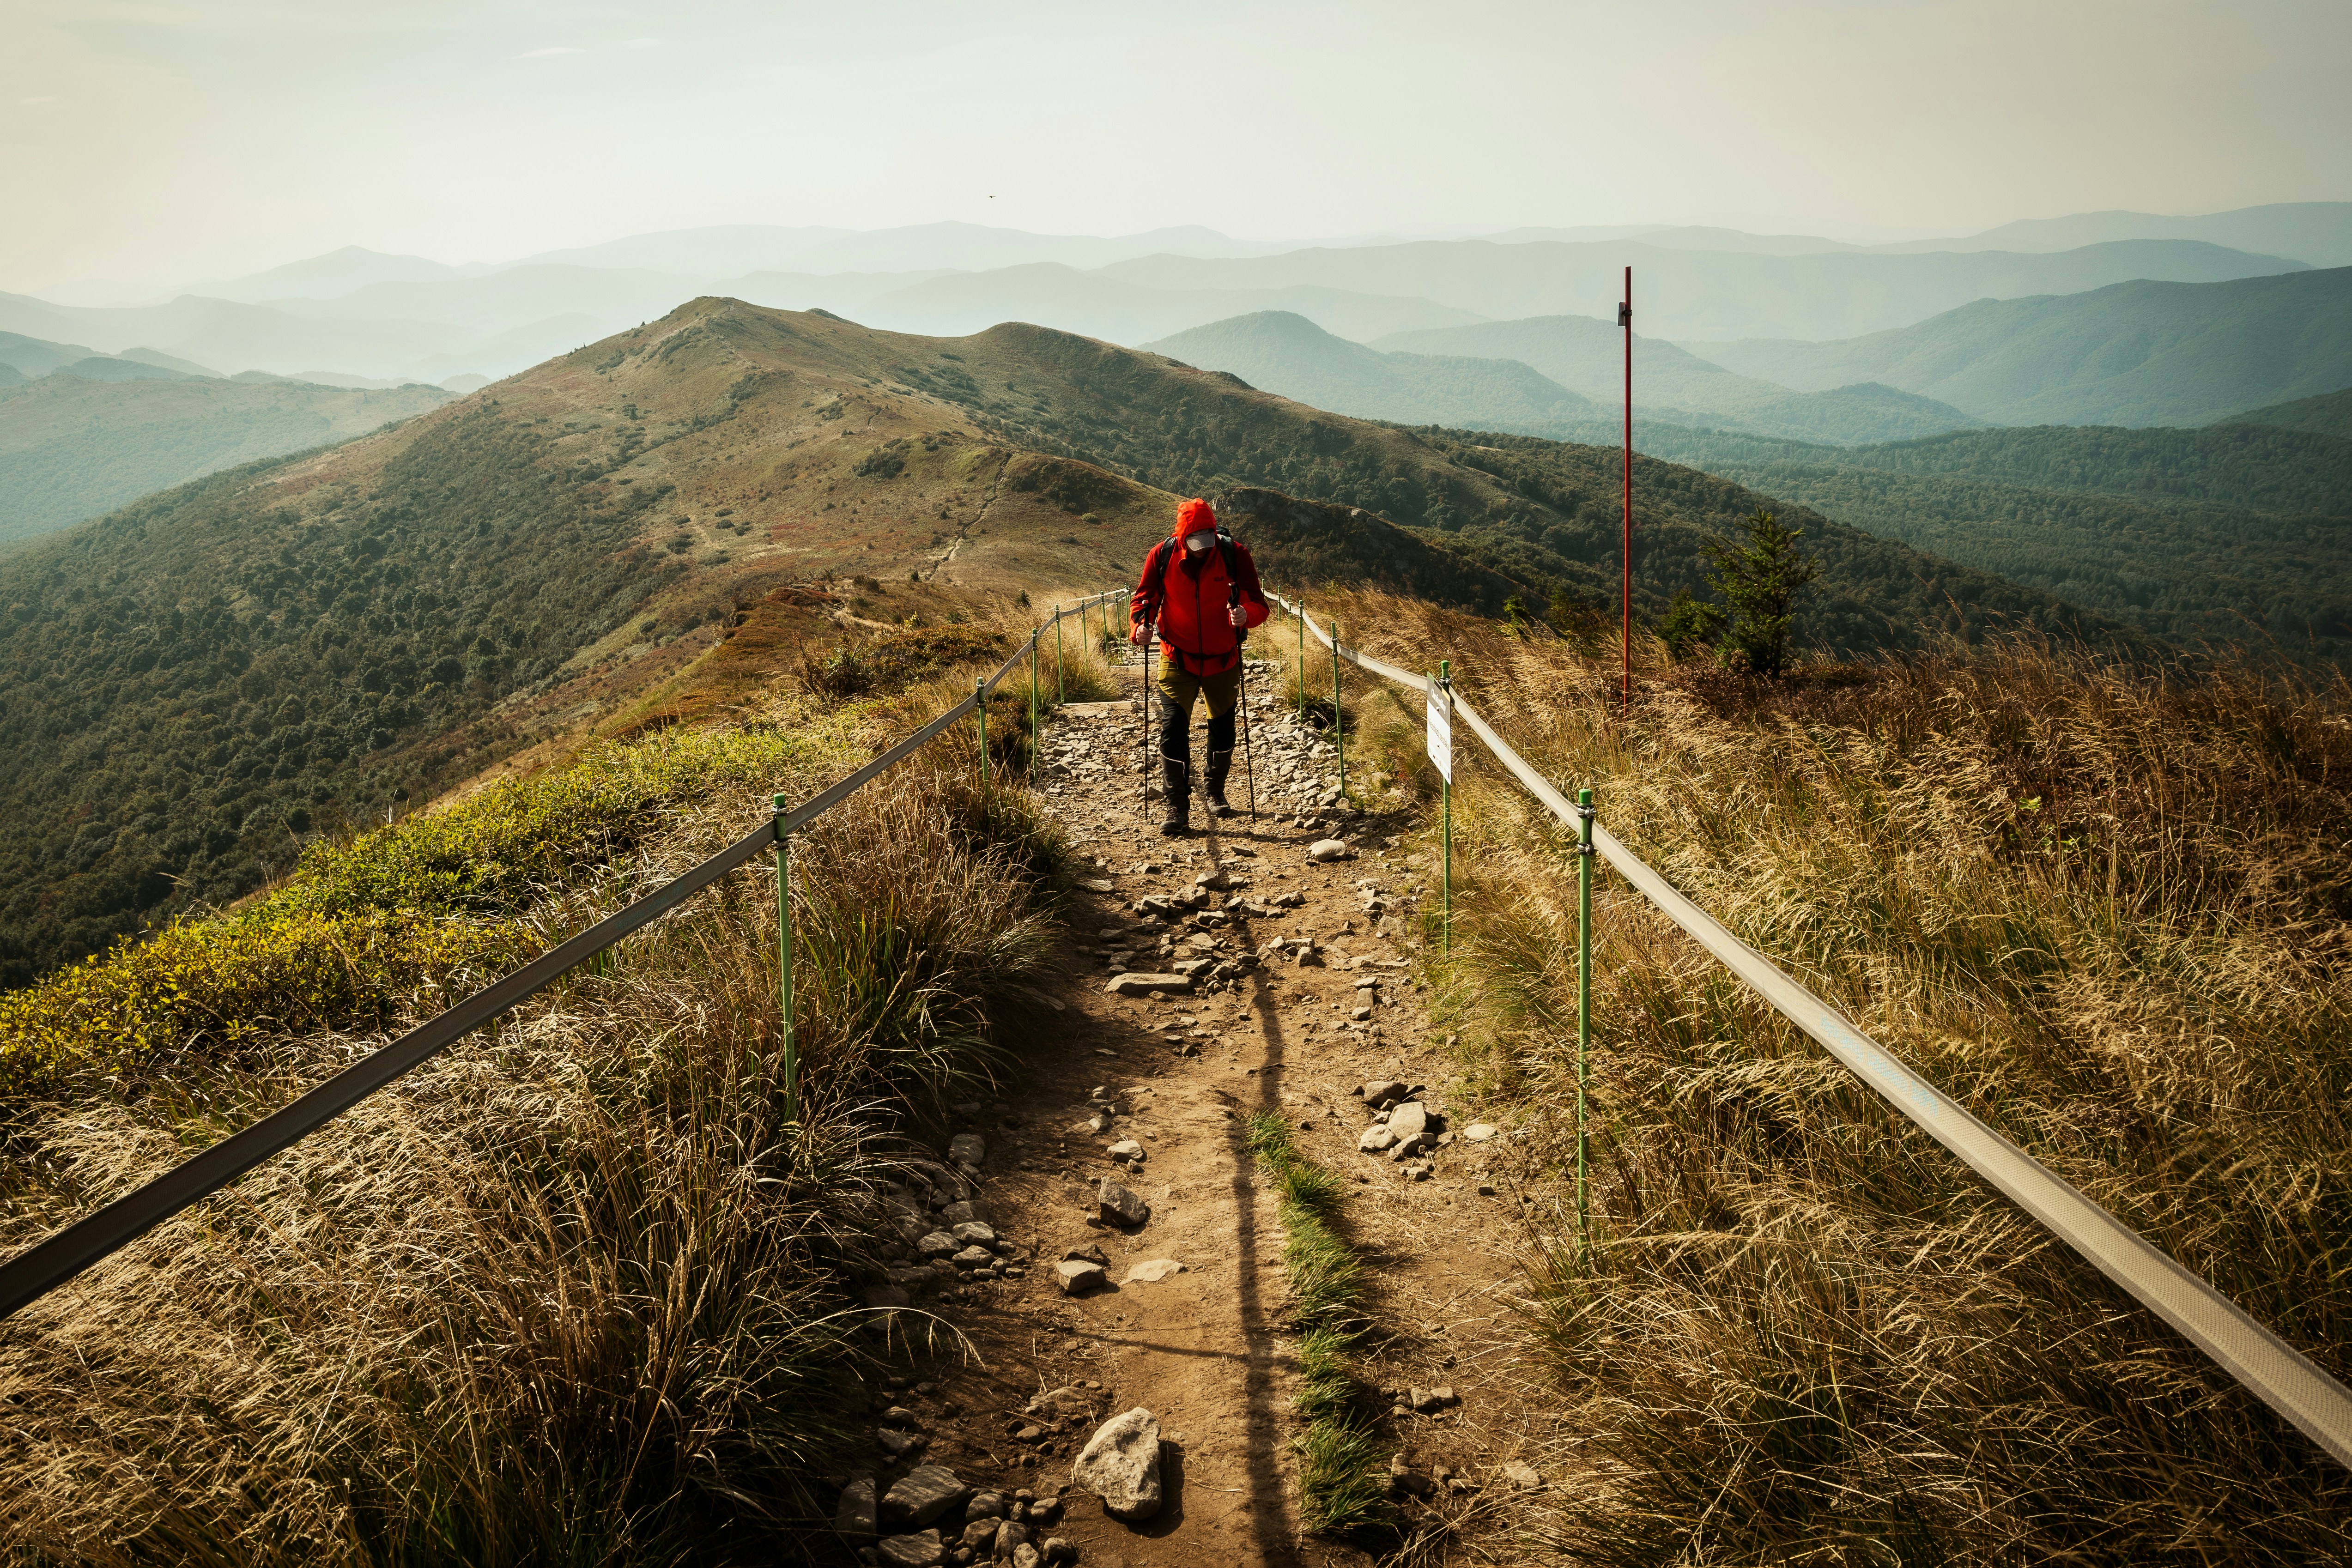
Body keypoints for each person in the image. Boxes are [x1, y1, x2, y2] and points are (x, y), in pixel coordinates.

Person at [1130, 497, 1269, 835]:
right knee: (1173, 727)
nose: (1203, 549)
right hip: (1177, 656)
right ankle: (1177, 806)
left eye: (1208, 540)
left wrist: (1246, 615)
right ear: (1181, 538)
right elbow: (1143, 599)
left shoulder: (1235, 554)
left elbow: (1258, 602)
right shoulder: (1160, 556)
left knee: (1223, 729)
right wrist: (1139, 629)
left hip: (1224, 659)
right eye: (1195, 542)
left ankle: (1215, 791)